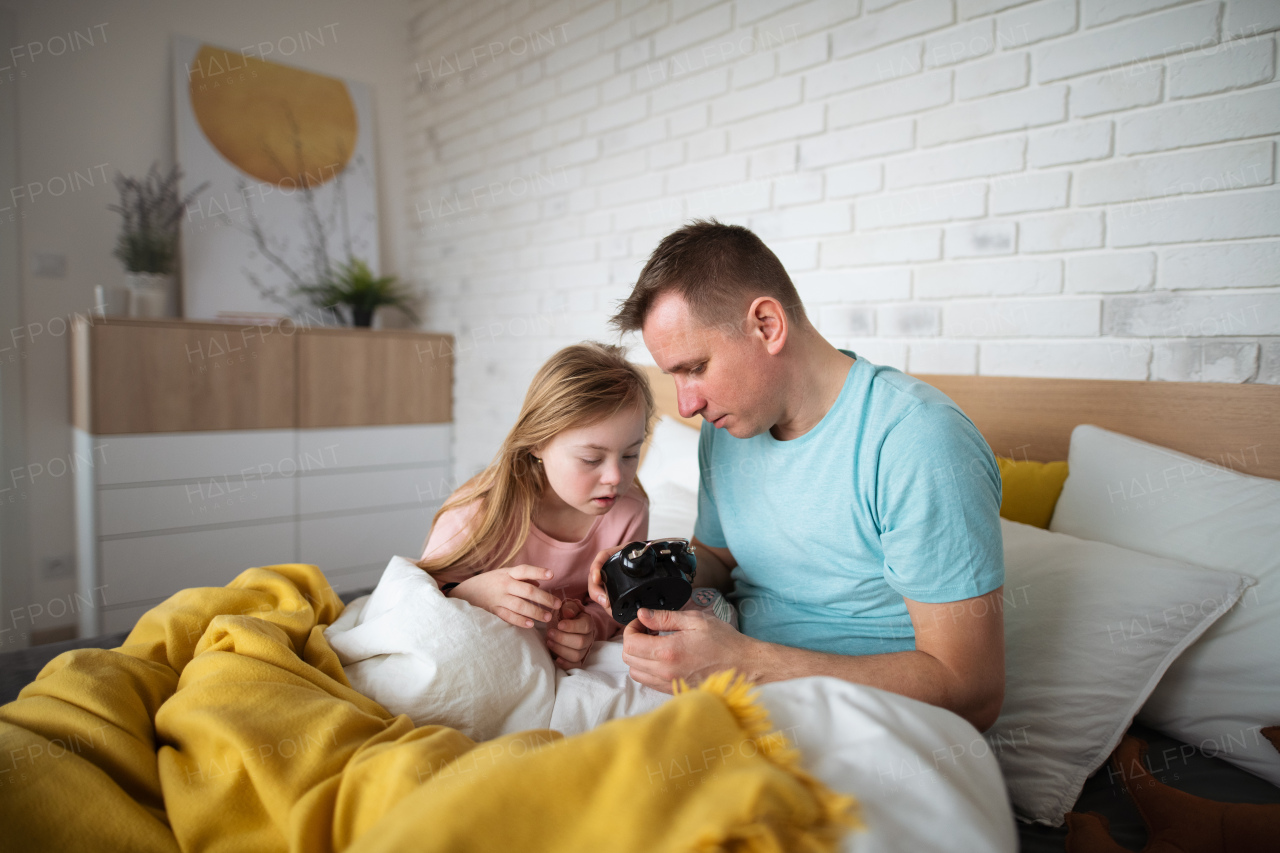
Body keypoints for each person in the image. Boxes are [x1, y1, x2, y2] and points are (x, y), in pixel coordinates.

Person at [587, 220, 1007, 731]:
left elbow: (972, 691)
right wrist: (649, 577)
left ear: (767, 324)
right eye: (673, 376)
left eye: (695, 367)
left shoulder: (917, 441)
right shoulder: (729, 429)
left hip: (872, 729)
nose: (686, 403)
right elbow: (719, 557)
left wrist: (744, 664)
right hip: (729, 703)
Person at [418, 342, 653, 669]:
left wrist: (590, 628)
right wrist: (471, 594)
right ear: (538, 442)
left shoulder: (630, 511)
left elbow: (616, 604)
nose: (615, 476)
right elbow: (420, 599)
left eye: (630, 455)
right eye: (591, 459)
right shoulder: (478, 509)